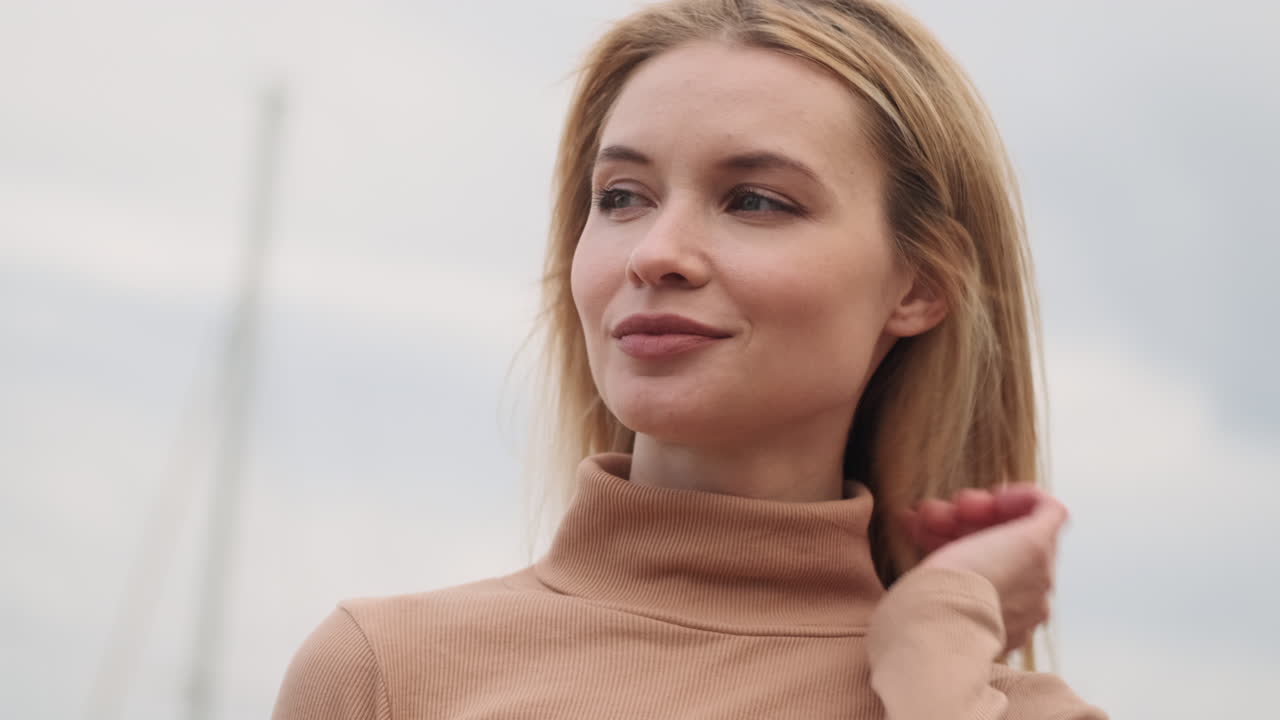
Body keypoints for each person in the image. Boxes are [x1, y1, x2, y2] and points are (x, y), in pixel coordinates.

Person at [272, 0, 1107, 717]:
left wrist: (934, 632)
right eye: (621, 197)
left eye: (756, 201)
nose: (656, 253)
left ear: (920, 285)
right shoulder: (383, 673)